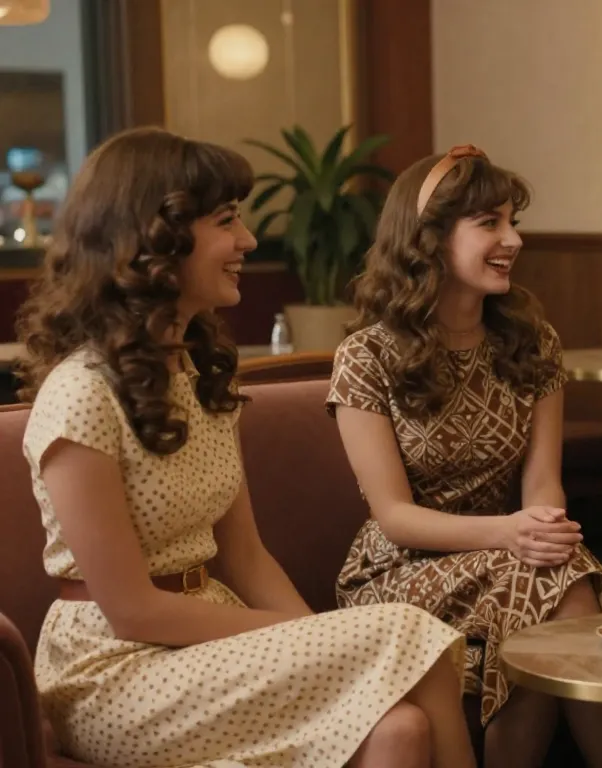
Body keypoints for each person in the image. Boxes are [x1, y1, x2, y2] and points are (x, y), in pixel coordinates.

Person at [15, 127, 475, 768]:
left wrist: (323, 638)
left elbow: (248, 560)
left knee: (402, 729)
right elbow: (131, 610)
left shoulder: (200, 378)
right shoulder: (81, 393)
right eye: (227, 221)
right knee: (406, 632)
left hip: (208, 641)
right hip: (112, 671)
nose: (249, 241)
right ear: (156, 238)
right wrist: (325, 638)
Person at [326, 145, 602, 768]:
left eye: (512, 222)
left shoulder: (533, 341)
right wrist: (513, 535)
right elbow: (394, 516)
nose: (513, 240)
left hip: (506, 554)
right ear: (429, 238)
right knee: (551, 580)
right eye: (489, 223)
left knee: (550, 572)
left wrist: (541, 529)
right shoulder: (366, 357)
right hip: (399, 568)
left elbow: (544, 482)